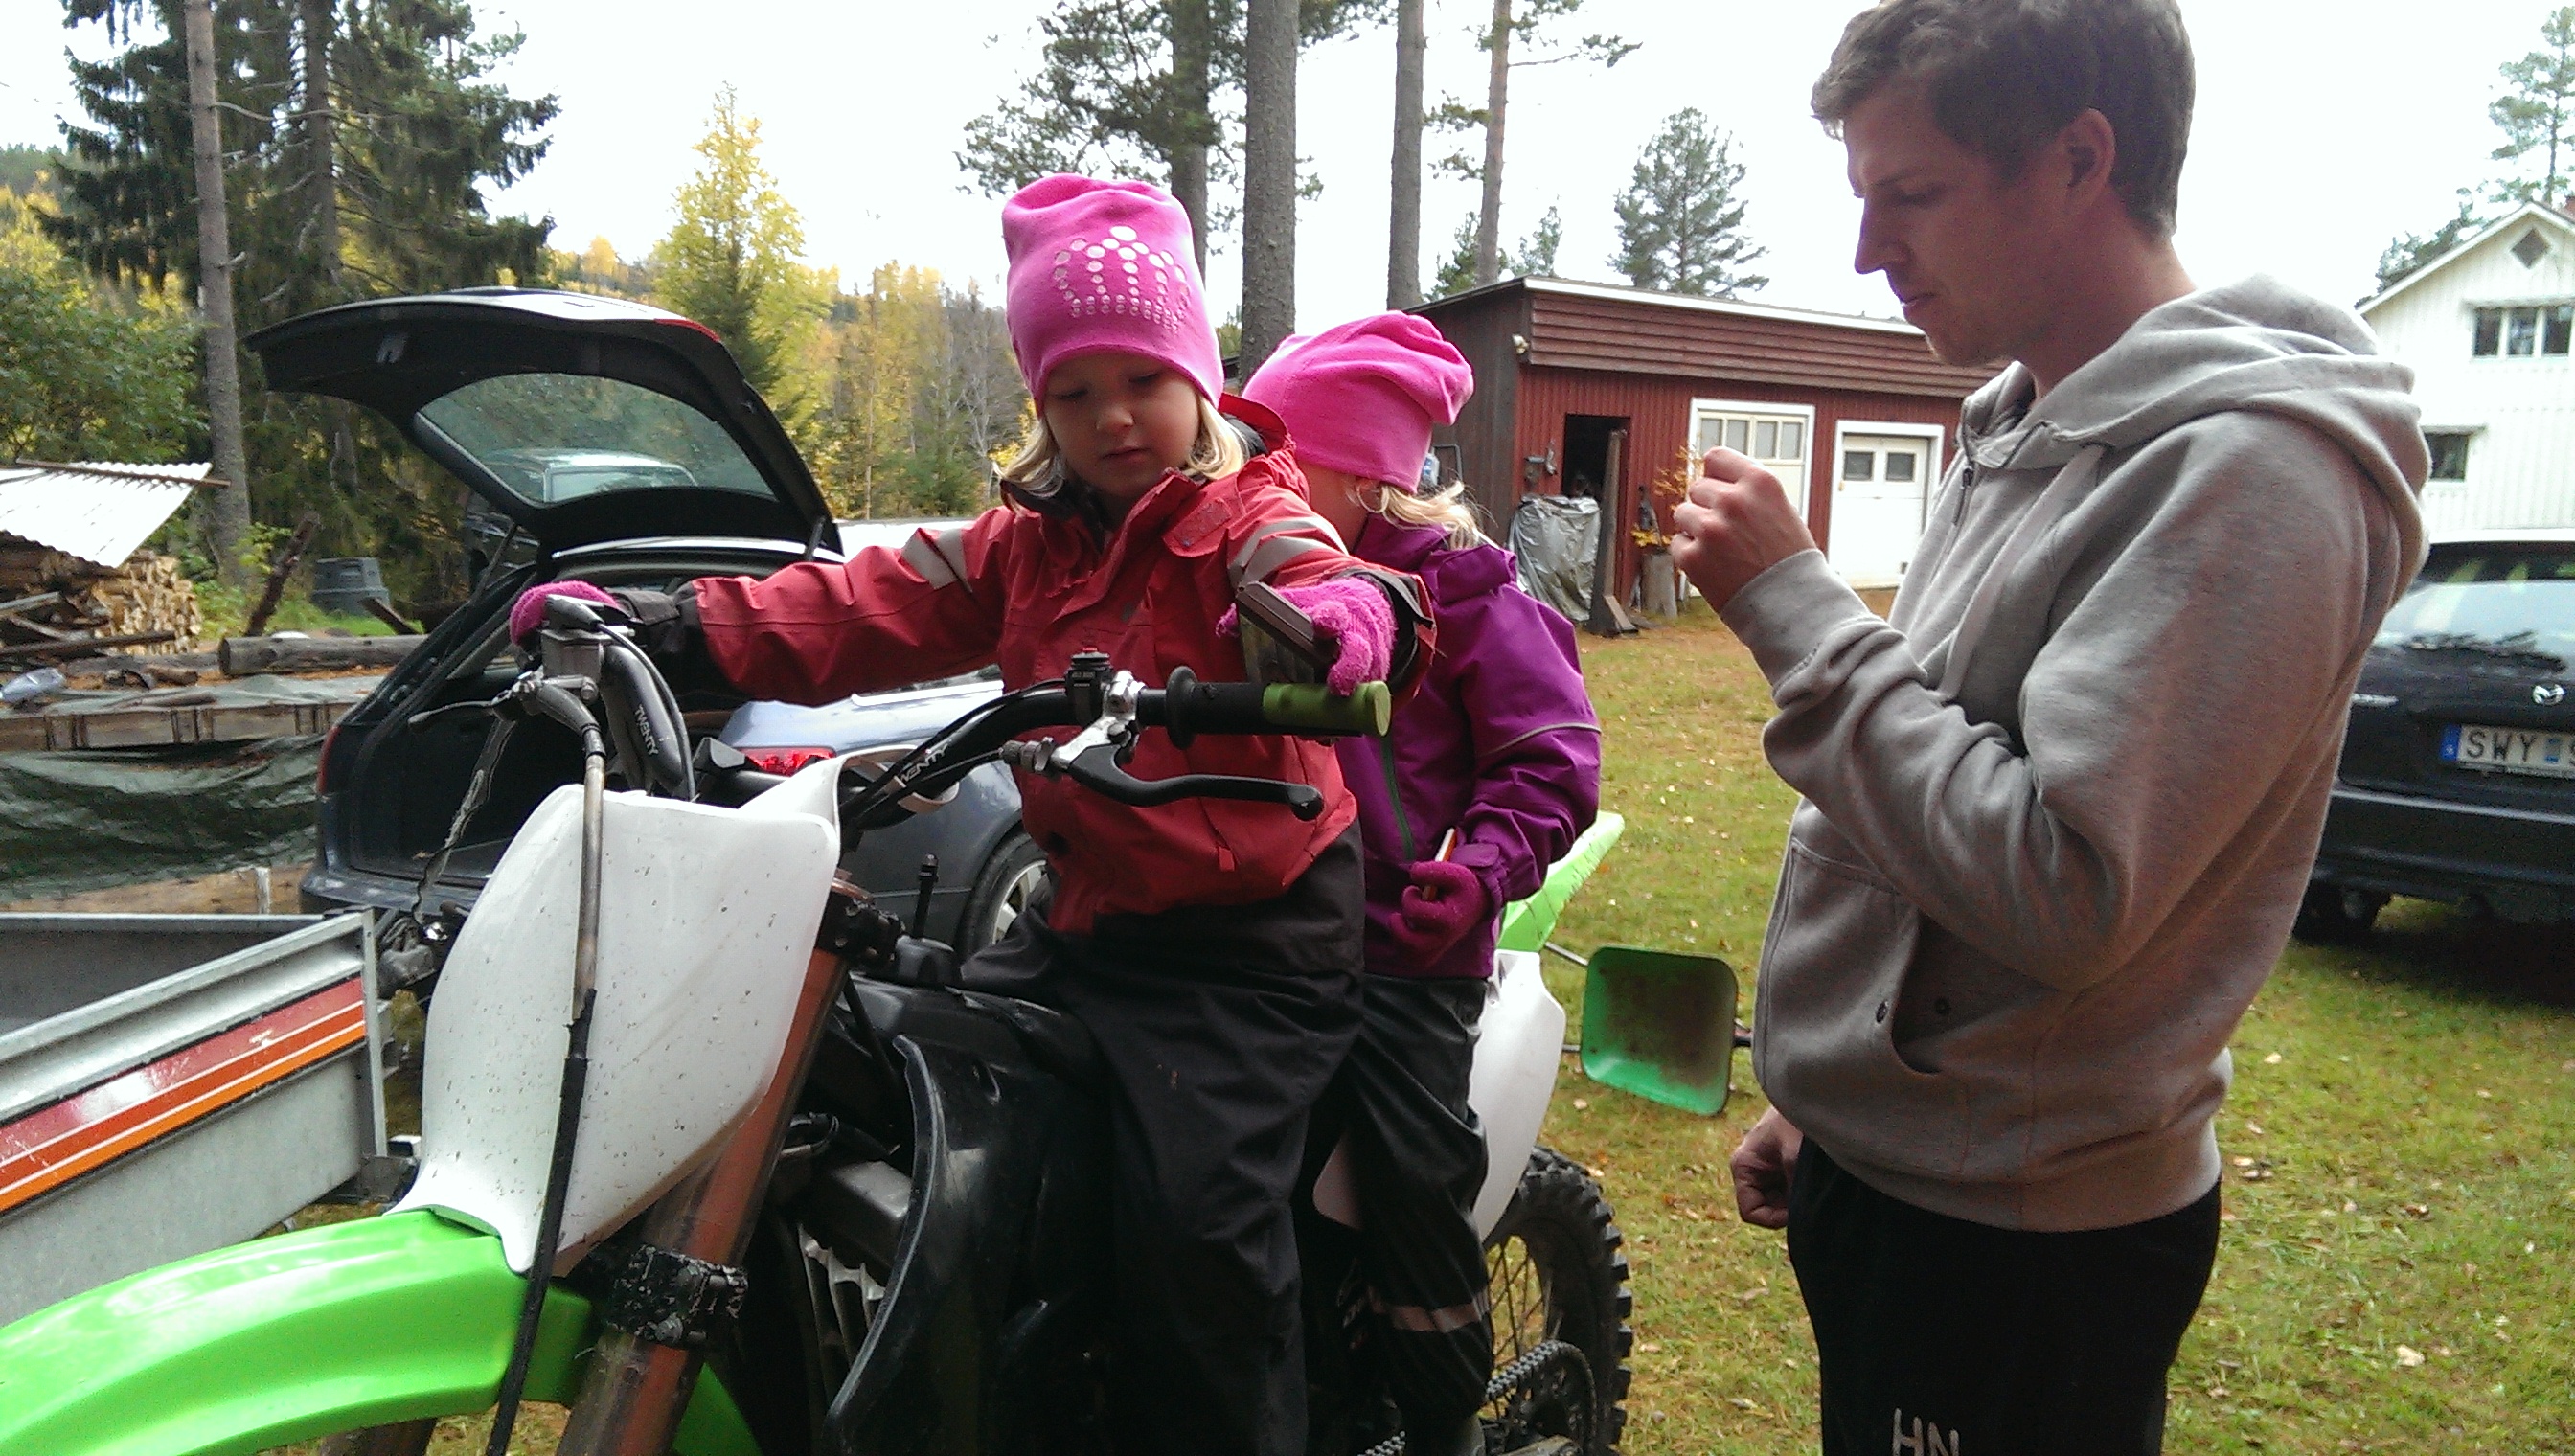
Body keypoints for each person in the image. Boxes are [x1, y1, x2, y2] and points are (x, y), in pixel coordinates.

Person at [514, 175, 1429, 1456]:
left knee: (1196, 1241)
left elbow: (1324, 577)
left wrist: (1348, 619)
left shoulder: (1247, 520)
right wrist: (664, 630)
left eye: (1143, 379)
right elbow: (858, 603)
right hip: (1086, 929)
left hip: (1248, 953)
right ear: (1041, 406)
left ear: (1199, 379)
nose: (1114, 416)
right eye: (1074, 391)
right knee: (905, 1105)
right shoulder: (1022, 547)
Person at [1665, 4, 2427, 1453]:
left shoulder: (2250, 472)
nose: (1868, 252)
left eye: (1913, 193)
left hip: (2023, 1241)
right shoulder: (2028, 422)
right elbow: (1937, 780)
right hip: (1925, 1173)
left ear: (2080, 159)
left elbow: (2065, 886)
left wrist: (1797, 612)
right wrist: (1846, 1105)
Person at [1242, 314, 1600, 1456]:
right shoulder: (1263, 578)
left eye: (1282, 461)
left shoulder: (1469, 596)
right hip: (1269, 936)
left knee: (1411, 1167)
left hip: (1403, 946)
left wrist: (1480, 868)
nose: (1258, 482)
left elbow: (1551, 754)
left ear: (1363, 478)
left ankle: (1444, 1412)